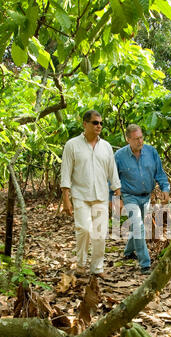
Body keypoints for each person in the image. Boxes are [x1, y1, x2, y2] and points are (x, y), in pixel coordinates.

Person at [60, 110, 121, 278]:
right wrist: (66, 198)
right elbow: (66, 172)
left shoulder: (106, 146)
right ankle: (80, 264)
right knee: (84, 229)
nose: (99, 126)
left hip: (101, 195)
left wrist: (117, 192)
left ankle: (97, 268)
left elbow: (112, 171)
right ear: (85, 124)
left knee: (100, 234)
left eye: (101, 123)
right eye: (95, 123)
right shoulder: (72, 145)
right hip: (80, 195)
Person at [114, 124, 170, 275]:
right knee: (138, 225)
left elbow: (160, 173)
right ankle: (145, 264)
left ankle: (128, 252)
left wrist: (165, 188)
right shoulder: (119, 156)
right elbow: (112, 179)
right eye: (136, 139)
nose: (140, 141)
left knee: (136, 226)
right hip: (129, 196)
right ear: (128, 139)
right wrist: (115, 199)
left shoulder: (151, 152)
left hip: (146, 196)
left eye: (141, 138)